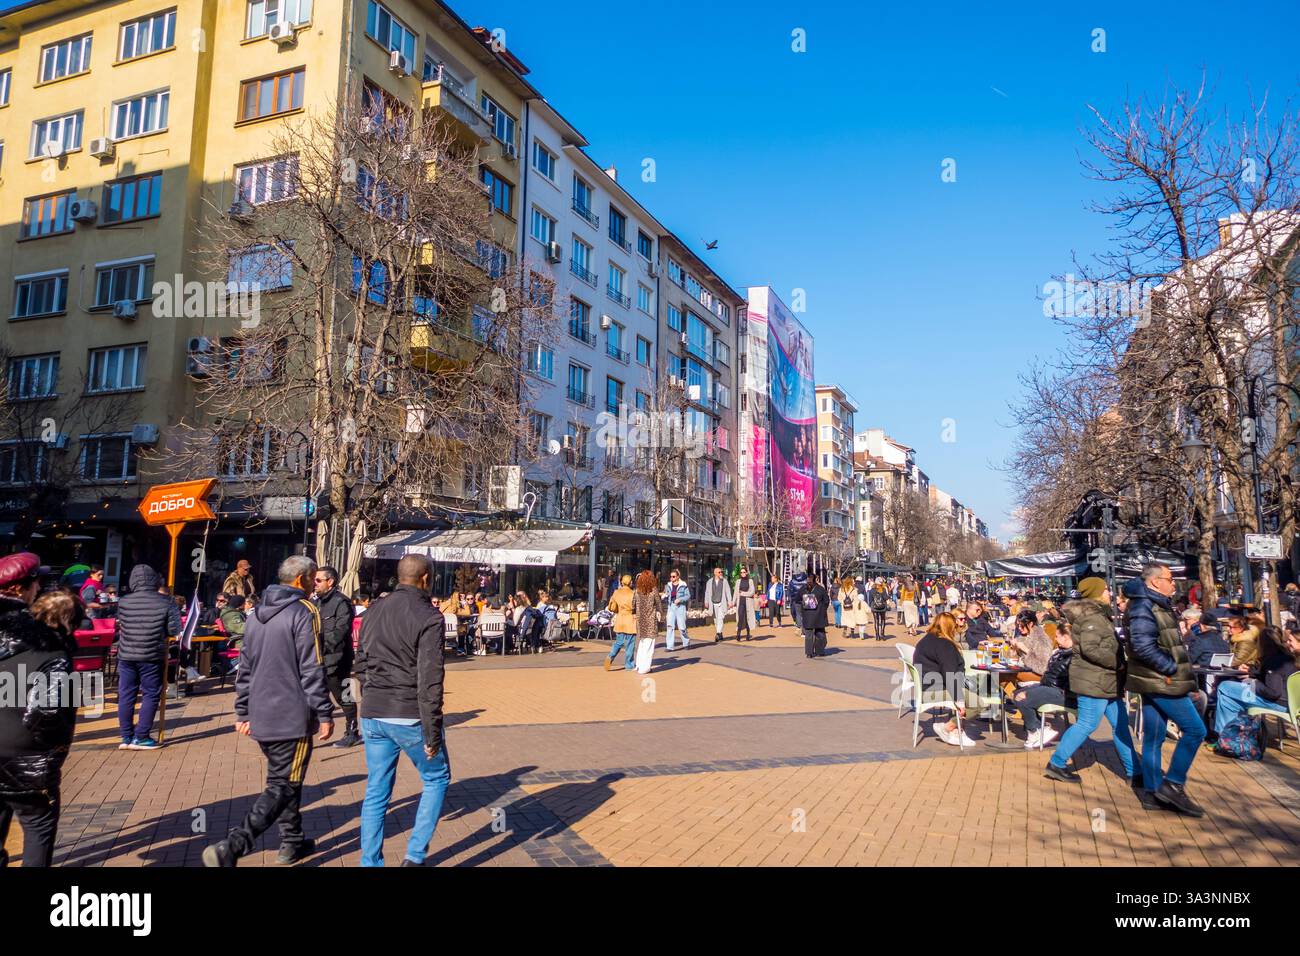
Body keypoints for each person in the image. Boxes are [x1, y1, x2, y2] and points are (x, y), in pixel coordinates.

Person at [203, 556, 334, 867]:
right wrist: (325, 712)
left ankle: (291, 841)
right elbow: (312, 666)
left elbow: (244, 668)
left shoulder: (256, 613)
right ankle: (234, 846)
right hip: (292, 715)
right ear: (302, 579)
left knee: (286, 778)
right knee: (283, 783)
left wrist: (243, 711)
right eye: (312, 578)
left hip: (263, 711)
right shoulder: (305, 612)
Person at [346, 554, 451, 867]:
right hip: (408, 713)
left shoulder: (374, 610)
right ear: (426, 578)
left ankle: (370, 861)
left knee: (377, 789)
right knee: (436, 779)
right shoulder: (429, 616)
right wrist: (432, 732)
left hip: (374, 712)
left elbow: (360, 661)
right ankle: (414, 857)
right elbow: (430, 679)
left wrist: (374, 688)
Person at [0, 554, 77, 868]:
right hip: (26, 756)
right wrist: (51, 749)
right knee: (37, 827)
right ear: (22, 588)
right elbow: (48, 709)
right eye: (36, 581)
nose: (40, 587)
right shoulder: (47, 641)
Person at [1045, 577, 1145, 800]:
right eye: (1106, 590)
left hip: (1105, 680)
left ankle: (1134, 771)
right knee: (1087, 724)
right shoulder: (1091, 616)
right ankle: (1057, 763)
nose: (1110, 593)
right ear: (1096, 593)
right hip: (1094, 680)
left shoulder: (1098, 615)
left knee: (1120, 725)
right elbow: (1090, 649)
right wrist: (1117, 662)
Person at [1126, 563, 1207, 817]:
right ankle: (1173, 784)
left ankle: (1152, 791)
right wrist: (1170, 668)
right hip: (1162, 681)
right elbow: (1141, 644)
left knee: (1154, 735)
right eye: (1170, 579)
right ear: (1154, 582)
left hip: (1156, 680)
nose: (1174, 584)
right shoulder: (1144, 605)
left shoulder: (1156, 603)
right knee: (1196, 730)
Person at [115, 564, 181, 751]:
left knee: (126, 694)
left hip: (126, 654)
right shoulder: (166, 601)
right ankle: (141, 736)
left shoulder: (123, 601)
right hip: (151, 654)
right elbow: (174, 630)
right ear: (155, 580)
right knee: (151, 694)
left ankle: (126, 736)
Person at [1213, 624, 1300, 738]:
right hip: (1292, 702)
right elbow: (1276, 677)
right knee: (1228, 700)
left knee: (1225, 686)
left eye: (1290, 640)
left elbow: (1273, 692)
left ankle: (1225, 738)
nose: (1287, 643)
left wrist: (1253, 682)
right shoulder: (1287, 657)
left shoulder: (1275, 661)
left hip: (1280, 702)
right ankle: (1230, 739)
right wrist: (1251, 672)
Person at [913, 611, 975, 747]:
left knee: (972, 689)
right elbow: (950, 674)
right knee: (978, 702)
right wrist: (959, 700)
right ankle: (948, 728)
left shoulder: (926, 639)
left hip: (927, 685)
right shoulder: (944, 644)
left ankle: (958, 730)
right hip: (935, 689)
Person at [314, 566, 359, 748]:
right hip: (318, 659)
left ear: (330, 581)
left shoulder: (342, 602)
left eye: (318, 580)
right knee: (314, 695)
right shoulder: (317, 602)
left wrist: (319, 643)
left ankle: (352, 731)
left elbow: (341, 631)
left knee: (344, 695)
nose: (315, 584)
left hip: (338, 659)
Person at [1009, 625, 1073, 749]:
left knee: (1023, 697)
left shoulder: (1075, 656)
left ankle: (1035, 730)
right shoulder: (1061, 652)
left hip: (1062, 692)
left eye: (1057, 636)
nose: (1055, 639)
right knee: (1017, 694)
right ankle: (1037, 729)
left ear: (1066, 637)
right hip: (1049, 686)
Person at [605, 574, 638, 671]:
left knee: (618, 642)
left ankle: (610, 656)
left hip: (620, 620)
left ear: (622, 582)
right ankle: (629, 665)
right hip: (630, 620)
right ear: (630, 582)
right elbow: (636, 607)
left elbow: (612, 607)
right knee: (630, 645)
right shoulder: (633, 593)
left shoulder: (616, 593)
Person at [800, 566, 830, 659]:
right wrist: (823, 609)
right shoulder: (820, 589)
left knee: (808, 634)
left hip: (807, 615)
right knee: (820, 633)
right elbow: (826, 600)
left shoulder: (803, 589)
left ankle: (809, 653)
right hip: (819, 614)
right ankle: (820, 651)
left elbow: (797, 599)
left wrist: (803, 608)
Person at [632, 571, 659, 673]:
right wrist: (661, 614)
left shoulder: (637, 591)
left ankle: (638, 665)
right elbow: (659, 604)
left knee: (642, 643)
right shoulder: (653, 590)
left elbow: (632, 605)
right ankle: (645, 668)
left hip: (640, 620)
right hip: (650, 620)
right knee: (649, 645)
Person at [662, 569, 690, 651]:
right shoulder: (668, 585)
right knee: (670, 626)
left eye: (673, 576)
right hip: (671, 606)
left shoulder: (683, 585)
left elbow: (688, 596)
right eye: (670, 576)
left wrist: (680, 599)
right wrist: (665, 596)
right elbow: (666, 593)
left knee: (682, 627)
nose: (671, 578)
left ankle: (686, 643)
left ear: (678, 577)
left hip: (680, 607)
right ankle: (669, 646)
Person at [704, 567, 733, 643]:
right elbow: (707, 592)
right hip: (713, 603)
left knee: (720, 618)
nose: (721, 573)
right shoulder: (709, 582)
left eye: (721, 572)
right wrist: (706, 601)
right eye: (719, 572)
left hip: (721, 603)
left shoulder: (724, 581)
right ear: (715, 573)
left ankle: (717, 634)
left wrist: (729, 601)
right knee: (716, 620)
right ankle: (720, 633)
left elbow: (728, 592)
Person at [731, 567, 756, 641]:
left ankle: (748, 634)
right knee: (740, 618)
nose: (742, 574)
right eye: (741, 572)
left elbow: (752, 592)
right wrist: (733, 602)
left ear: (747, 572)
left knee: (747, 618)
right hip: (740, 602)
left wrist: (743, 593)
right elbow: (736, 592)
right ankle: (738, 634)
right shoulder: (738, 581)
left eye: (744, 572)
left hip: (748, 603)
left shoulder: (750, 581)